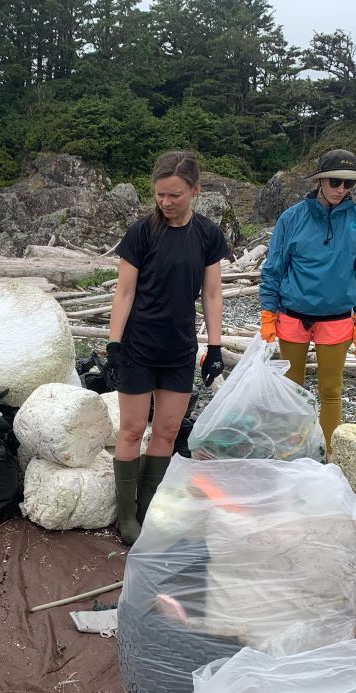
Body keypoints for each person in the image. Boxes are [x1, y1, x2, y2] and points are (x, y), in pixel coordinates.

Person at [107, 150, 228, 545]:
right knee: (131, 429)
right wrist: (113, 343)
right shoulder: (142, 232)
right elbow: (124, 293)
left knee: (168, 429)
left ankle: (147, 508)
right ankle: (126, 517)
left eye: (174, 194)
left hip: (179, 346)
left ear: (194, 190)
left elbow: (211, 293)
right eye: (160, 194)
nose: (166, 202)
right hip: (139, 345)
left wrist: (215, 346)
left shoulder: (208, 235)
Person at [258, 149, 356, 451]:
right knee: (291, 388)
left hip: (336, 318)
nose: (341, 189)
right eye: (335, 181)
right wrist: (267, 312)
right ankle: (292, 449)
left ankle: (329, 454)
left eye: (348, 184)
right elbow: (274, 267)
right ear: (320, 180)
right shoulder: (292, 218)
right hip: (293, 315)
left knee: (330, 389)